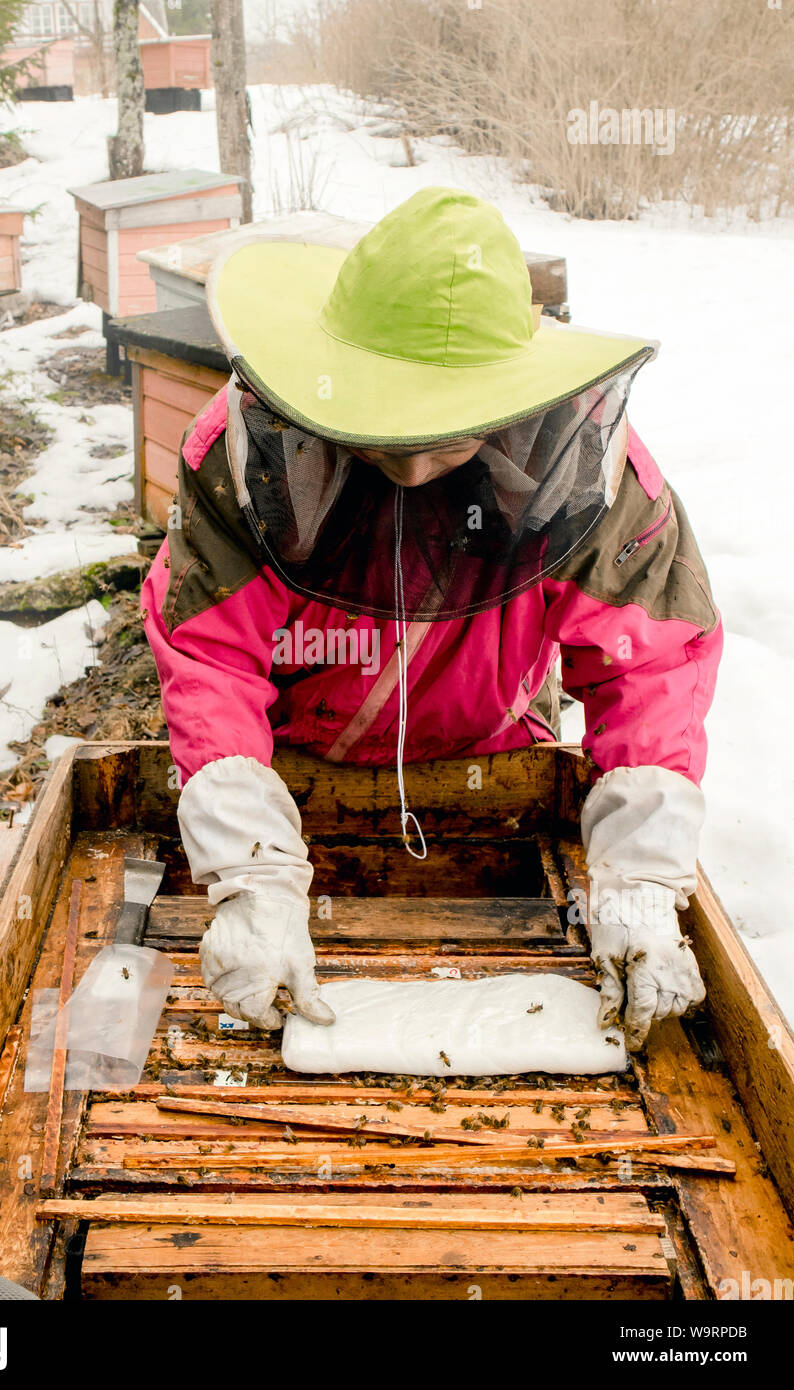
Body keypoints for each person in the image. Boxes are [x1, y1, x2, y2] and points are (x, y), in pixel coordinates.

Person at [141, 188, 722, 1052]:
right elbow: (210, 657)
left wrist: (637, 877)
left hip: (497, 759)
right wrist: (249, 873)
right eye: (383, 428)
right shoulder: (246, 460)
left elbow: (649, 667)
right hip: (290, 766)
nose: (412, 467)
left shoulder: (592, 477)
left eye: (447, 433)